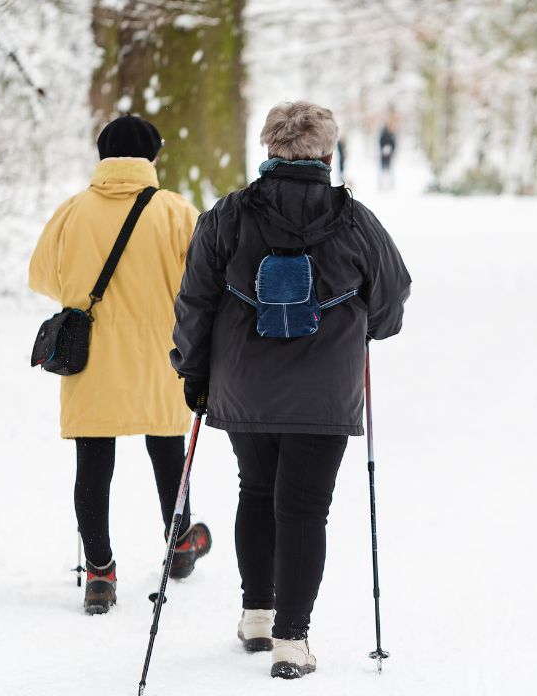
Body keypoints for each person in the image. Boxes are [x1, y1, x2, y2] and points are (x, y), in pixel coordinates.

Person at [171, 101, 411, 679]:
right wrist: (366, 326)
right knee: (305, 507)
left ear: (269, 150)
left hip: (245, 388)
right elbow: (391, 299)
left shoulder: (227, 216)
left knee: (255, 491)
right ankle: (291, 640)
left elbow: (196, 301)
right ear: (327, 154)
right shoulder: (355, 221)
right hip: (324, 393)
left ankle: (257, 613)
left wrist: (193, 370)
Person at [29, 116, 212, 615]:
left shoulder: (72, 212)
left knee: (94, 462)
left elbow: (42, 275)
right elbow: (201, 282)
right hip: (160, 353)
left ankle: (100, 572)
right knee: (167, 450)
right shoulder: (176, 212)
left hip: (91, 357)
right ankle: (179, 546)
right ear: (152, 157)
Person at [378, 121, 396, 190]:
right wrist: (384, 149)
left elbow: (393, 144)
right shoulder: (383, 135)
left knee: (390, 171)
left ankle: (390, 184)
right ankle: (381, 185)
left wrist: (391, 150)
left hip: (389, 156)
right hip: (383, 156)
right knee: (382, 171)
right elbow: (380, 143)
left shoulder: (392, 135)